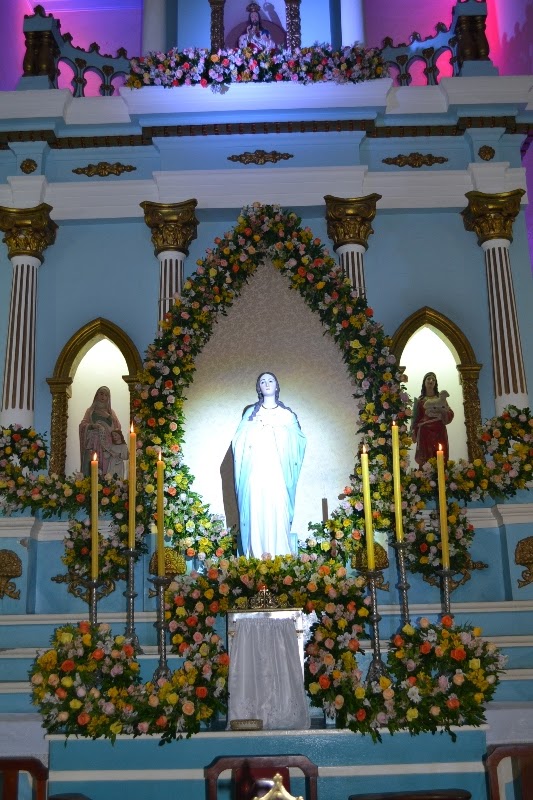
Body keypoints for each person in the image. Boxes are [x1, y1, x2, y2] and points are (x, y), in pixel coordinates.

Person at [232, 372, 306, 558]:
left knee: (277, 508)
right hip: (255, 472)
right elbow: (238, 441)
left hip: (277, 473)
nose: (266, 384)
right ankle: (256, 556)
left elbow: (299, 441)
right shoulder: (251, 413)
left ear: (277, 385)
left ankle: (280, 555)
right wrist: (257, 430)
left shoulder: (286, 415)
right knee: (256, 508)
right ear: (258, 387)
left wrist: (276, 430)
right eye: (262, 381)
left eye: (270, 380)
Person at [411, 371, 454, 466]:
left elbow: (449, 413)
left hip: (439, 431)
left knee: (441, 457)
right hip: (425, 433)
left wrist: (443, 413)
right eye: (428, 379)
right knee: (426, 460)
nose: (431, 381)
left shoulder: (441, 399)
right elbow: (415, 419)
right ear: (424, 382)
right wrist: (413, 431)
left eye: (433, 380)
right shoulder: (420, 401)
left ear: (435, 383)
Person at [79, 386, 122, 476]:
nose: (103, 397)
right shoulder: (90, 411)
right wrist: (92, 426)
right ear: (96, 395)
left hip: (108, 446)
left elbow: (118, 427)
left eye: (106, 395)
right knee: (93, 469)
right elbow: (82, 425)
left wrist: (109, 417)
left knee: (106, 471)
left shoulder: (111, 412)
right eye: (101, 394)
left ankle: (107, 482)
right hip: (94, 444)